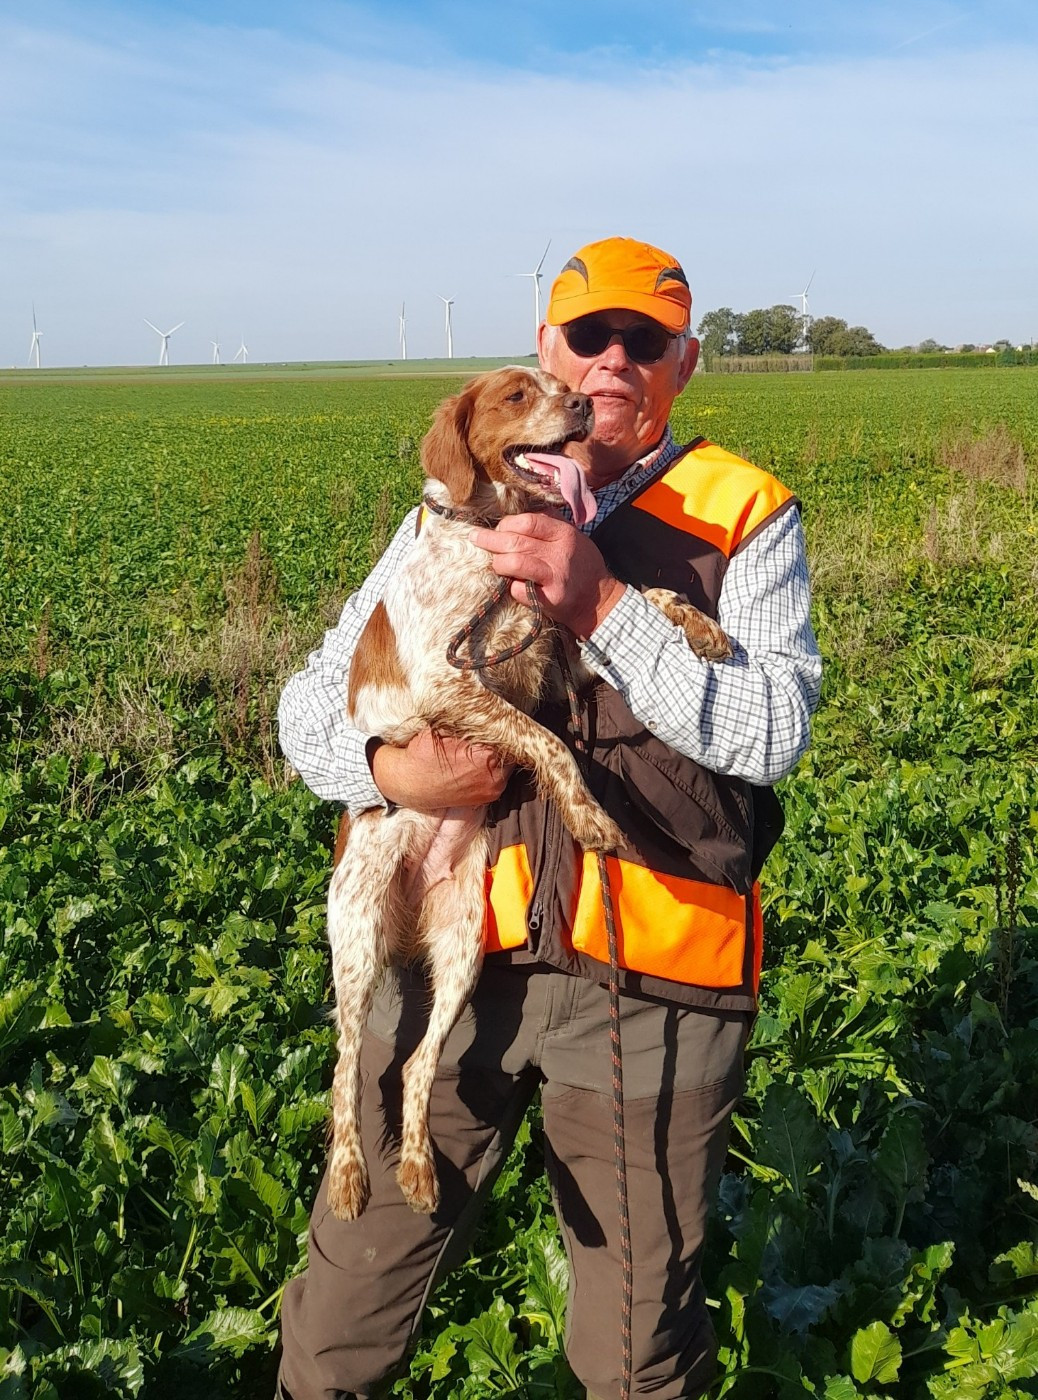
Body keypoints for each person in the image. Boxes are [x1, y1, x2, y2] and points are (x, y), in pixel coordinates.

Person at [275, 236, 822, 1400]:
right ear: (547, 355)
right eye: (588, 338)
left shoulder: (745, 515)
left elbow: (775, 734)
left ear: (684, 361)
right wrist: (388, 770)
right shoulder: (455, 511)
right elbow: (304, 710)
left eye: (645, 342)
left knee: (633, 1359)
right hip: (454, 957)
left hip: (653, 983)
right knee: (338, 1325)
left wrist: (607, 606)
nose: (610, 367)